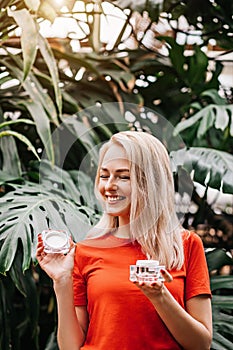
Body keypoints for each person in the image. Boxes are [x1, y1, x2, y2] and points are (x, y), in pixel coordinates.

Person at [37, 130, 212, 350]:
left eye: (123, 176)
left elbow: (201, 344)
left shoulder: (186, 246)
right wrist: (62, 283)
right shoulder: (84, 251)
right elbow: (70, 347)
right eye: (104, 175)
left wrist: (160, 297)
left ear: (151, 183)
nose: (109, 186)